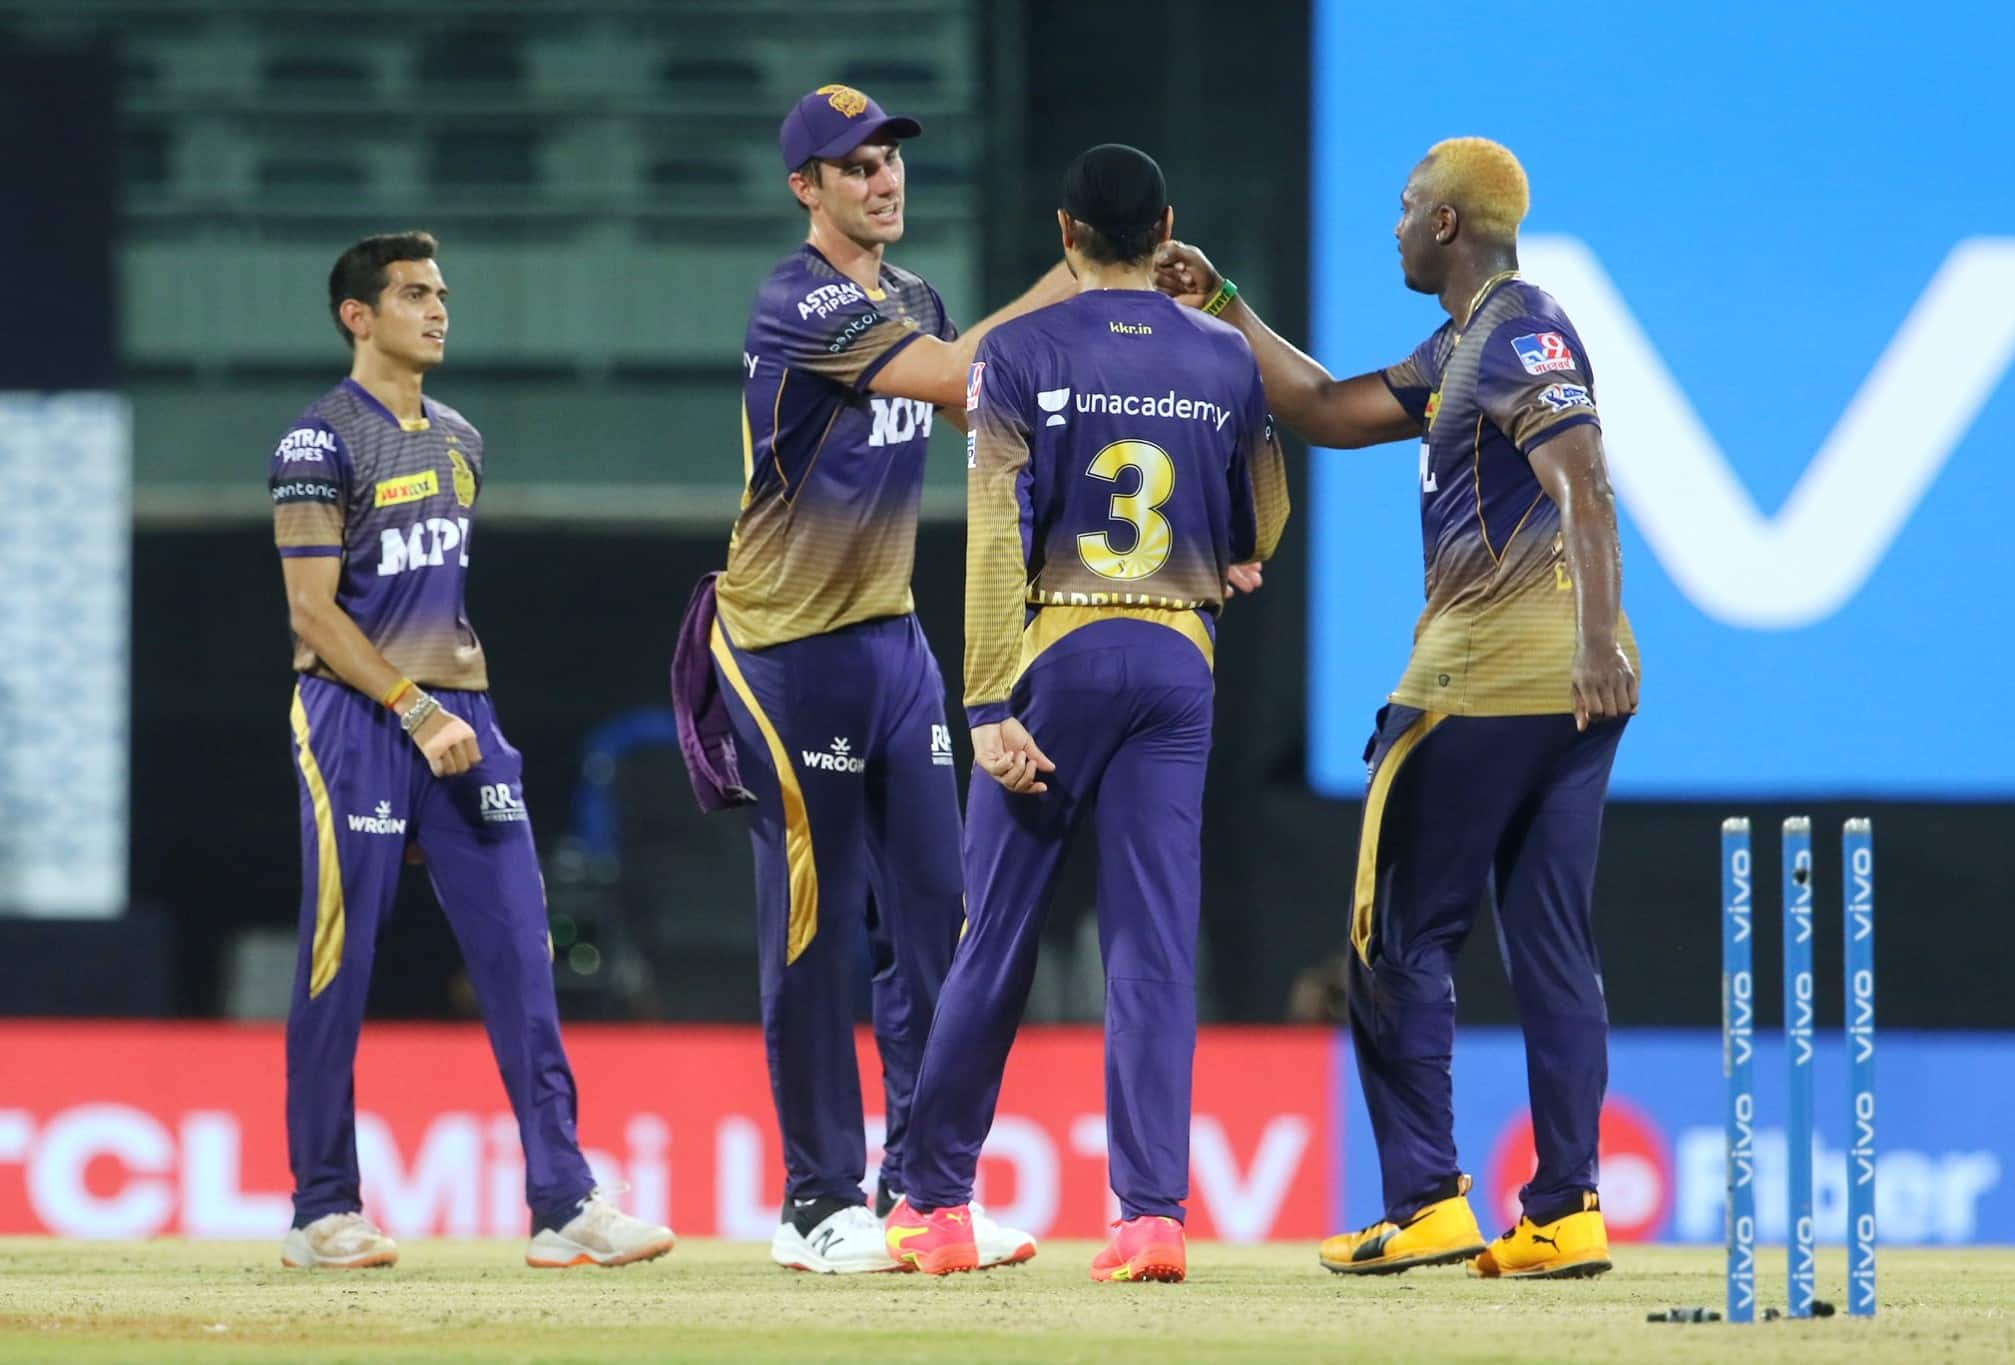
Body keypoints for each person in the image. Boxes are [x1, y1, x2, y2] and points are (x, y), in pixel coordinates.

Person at [1159, 136, 1641, 1280]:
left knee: (1392, 941)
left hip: (1485, 679)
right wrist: (1224, 302)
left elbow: (1583, 481)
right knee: (1551, 946)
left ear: (1444, 226)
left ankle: (1426, 1199)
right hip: (1568, 690)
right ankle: (1564, 1209)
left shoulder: (1519, 333)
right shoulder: (1465, 343)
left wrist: (1588, 638)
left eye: (1403, 206)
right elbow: (1324, 408)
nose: (1389, 223)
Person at [882, 144, 1289, 1284]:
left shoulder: (1012, 351)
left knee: (994, 941)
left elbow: (993, 533)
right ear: (1165, 226)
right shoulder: (1219, 351)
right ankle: (1148, 1219)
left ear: (1064, 234)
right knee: (1153, 949)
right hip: (1176, 664)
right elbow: (1264, 505)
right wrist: (1228, 551)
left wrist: (984, 698)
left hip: (1054, 659)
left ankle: (934, 1207)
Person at [690, 84, 1069, 1274]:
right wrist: (1086, 278)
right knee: (817, 932)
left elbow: (972, 390)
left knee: (942, 918)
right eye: (855, 166)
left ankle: (921, 1190)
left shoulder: (912, 295)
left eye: (891, 158)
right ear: (805, 187)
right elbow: (959, 380)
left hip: (890, 642)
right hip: (783, 649)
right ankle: (814, 1203)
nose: (883, 179)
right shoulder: (794, 299)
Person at [271, 232, 674, 1269]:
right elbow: (313, 616)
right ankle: (323, 1209)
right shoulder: (316, 442)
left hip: (464, 724)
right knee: (338, 960)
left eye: (441, 293)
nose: (437, 310)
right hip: (361, 724)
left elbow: (429, 598)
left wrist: (447, 714)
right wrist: (411, 708)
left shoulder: (460, 438)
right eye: (412, 294)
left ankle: (562, 1201)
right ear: (357, 316)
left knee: (522, 959)